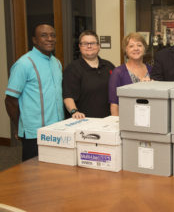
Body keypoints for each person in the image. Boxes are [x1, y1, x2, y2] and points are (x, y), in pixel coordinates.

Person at [5, 23, 64, 161]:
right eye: (44, 35)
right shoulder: (24, 64)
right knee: (33, 175)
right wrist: (19, 125)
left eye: (52, 35)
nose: (50, 39)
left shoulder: (57, 63)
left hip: (57, 130)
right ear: (35, 40)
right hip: (34, 133)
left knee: (56, 172)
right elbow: (10, 100)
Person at [63, 30, 115, 119]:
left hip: (108, 121)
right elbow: (68, 96)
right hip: (84, 121)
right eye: (85, 43)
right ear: (79, 46)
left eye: (93, 43)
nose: (89, 46)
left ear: (99, 46)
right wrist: (74, 111)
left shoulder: (109, 66)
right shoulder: (72, 69)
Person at [109, 32, 151, 116]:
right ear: (126, 50)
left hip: (150, 118)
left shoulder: (152, 70)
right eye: (131, 46)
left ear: (144, 48)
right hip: (127, 119)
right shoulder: (118, 72)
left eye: (139, 45)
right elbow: (114, 104)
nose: (136, 48)